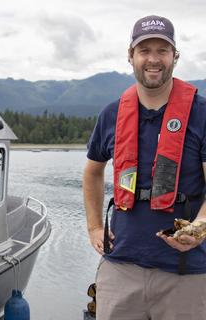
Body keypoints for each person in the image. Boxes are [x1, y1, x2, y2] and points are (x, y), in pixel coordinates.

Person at [83, 15, 206, 320]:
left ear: (174, 57)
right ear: (131, 56)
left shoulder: (202, 113)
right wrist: (95, 226)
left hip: (186, 273)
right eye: (144, 50)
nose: (153, 59)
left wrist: (200, 227)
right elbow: (92, 171)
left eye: (162, 51)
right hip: (120, 267)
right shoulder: (111, 114)